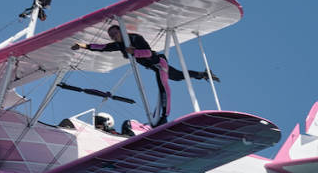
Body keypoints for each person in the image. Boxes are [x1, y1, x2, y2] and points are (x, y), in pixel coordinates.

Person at [72, 26, 219, 126]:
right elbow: (102, 47)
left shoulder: (135, 38)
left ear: (121, 31)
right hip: (153, 67)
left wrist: (134, 52)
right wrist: (83, 46)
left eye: (115, 33)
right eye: (111, 35)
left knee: (164, 88)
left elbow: (148, 53)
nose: (113, 36)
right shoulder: (118, 45)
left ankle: (163, 117)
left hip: (159, 63)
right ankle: (203, 74)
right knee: (179, 76)